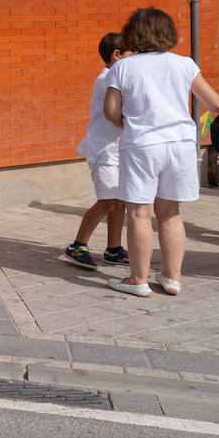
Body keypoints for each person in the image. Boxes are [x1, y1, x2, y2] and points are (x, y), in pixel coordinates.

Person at [103, 8, 219, 297]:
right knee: (170, 212)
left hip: (142, 145)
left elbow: (111, 111)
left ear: (134, 33)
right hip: (180, 144)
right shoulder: (184, 64)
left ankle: (138, 280)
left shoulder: (123, 67)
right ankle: (172, 277)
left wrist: (128, 122)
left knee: (139, 212)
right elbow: (214, 103)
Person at [64, 32, 130, 271]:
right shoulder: (107, 79)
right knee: (108, 199)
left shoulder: (116, 76)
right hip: (103, 151)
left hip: (119, 150)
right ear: (117, 54)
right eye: (131, 53)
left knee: (120, 201)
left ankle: (113, 249)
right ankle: (78, 245)